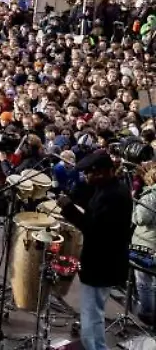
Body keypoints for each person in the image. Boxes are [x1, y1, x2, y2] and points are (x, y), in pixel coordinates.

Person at [58, 150, 132, 350]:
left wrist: (68, 209)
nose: (85, 177)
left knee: (92, 316)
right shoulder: (109, 188)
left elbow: (94, 228)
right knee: (91, 313)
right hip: (102, 262)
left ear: (100, 173)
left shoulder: (113, 196)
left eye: (88, 173)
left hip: (101, 265)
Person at [131, 163, 156, 325]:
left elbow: (141, 219)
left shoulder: (151, 195)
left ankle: (148, 314)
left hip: (147, 245)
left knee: (143, 281)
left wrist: (134, 206)